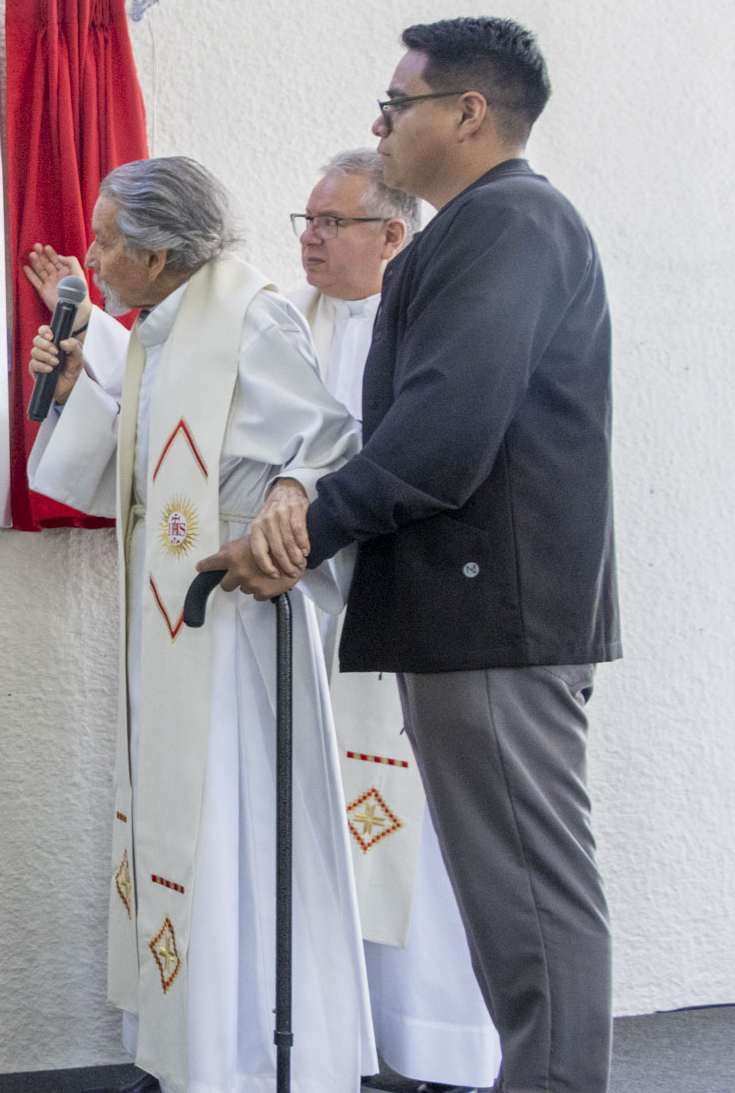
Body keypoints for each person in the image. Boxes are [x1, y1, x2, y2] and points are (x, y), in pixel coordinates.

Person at [204, 18, 618, 1092]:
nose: (379, 124)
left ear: (469, 113)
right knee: (508, 903)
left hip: (497, 619)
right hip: (472, 617)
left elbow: (443, 429)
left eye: (398, 104)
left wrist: (304, 527)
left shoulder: (511, 222)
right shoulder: (475, 228)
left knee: (531, 903)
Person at [26, 157, 371, 1093]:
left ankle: (249, 1055)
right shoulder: (155, 337)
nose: (92, 258)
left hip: (240, 627)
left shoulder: (250, 318)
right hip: (171, 630)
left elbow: (333, 441)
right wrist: (68, 393)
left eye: (105, 241)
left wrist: (289, 499)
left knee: (235, 830)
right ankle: (191, 1046)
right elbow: (132, 482)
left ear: (159, 250)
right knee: (187, 827)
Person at [288, 152, 500, 1093]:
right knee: (329, 827)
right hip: (314, 613)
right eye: (306, 219)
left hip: (396, 600)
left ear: (392, 235)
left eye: (332, 221)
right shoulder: (291, 326)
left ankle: (439, 1041)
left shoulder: (413, 330)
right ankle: (351, 1040)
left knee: (415, 837)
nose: (310, 236)